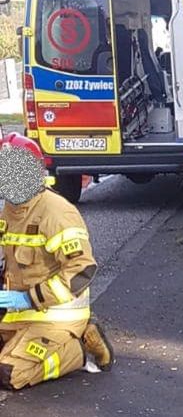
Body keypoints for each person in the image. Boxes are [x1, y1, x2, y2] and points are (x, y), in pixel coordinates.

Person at [0, 133, 114, 390]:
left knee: (9, 373)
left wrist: (27, 298)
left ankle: (79, 348)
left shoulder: (55, 212)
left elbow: (82, 269)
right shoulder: (12, 208)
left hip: (54, 315)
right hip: (17, 315)